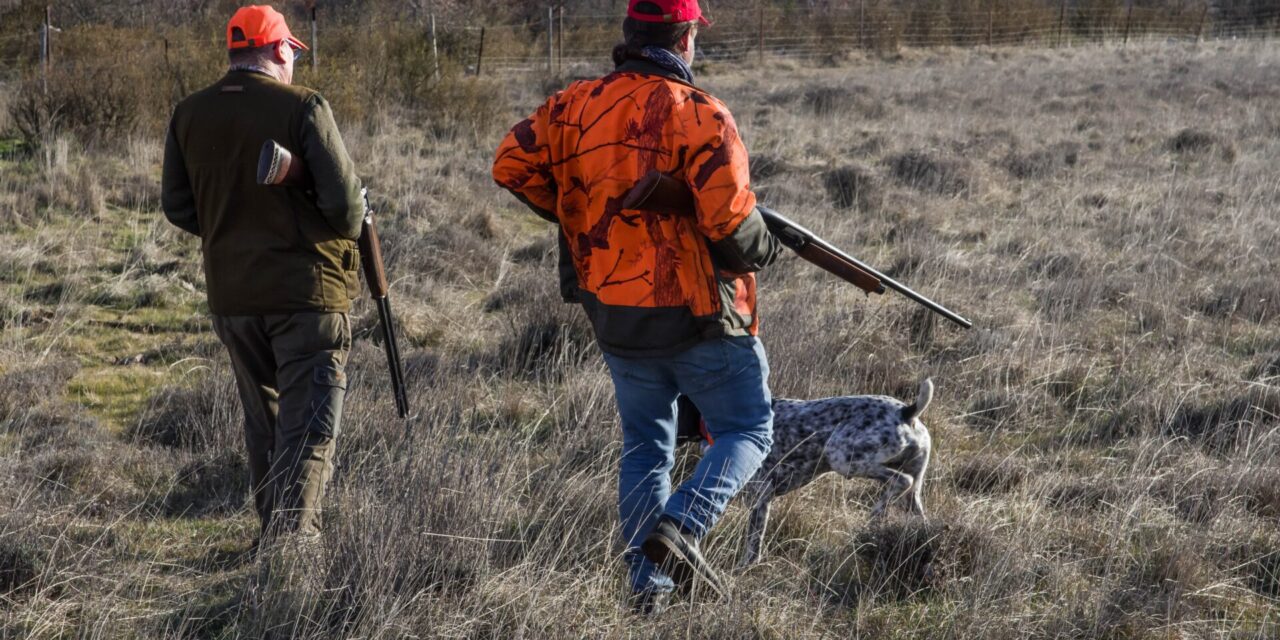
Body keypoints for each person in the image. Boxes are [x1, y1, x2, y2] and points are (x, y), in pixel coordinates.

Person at [493, 0, 782, 613]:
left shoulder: (570, 106)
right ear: (685, 37)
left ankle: (646, 589)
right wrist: (766, 243)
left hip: (615, 315)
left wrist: (578, 210)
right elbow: (729, 219)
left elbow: (510, 162)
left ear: (630, 35)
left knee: (645, 448)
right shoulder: (699, 113)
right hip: (700, 317)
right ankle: (681, 527)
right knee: (748, 429)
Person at [161, 5, 363, 546]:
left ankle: (271, 536)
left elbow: (178, 208)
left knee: (266, 424)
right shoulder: (304, 107)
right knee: (310, 427)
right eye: (292, 52)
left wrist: (234, 224)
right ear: (277, 51)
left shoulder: (188, 113)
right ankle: (291, 553)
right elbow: (347, 212)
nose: (294, 61)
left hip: (233, 297)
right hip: (308, 297)